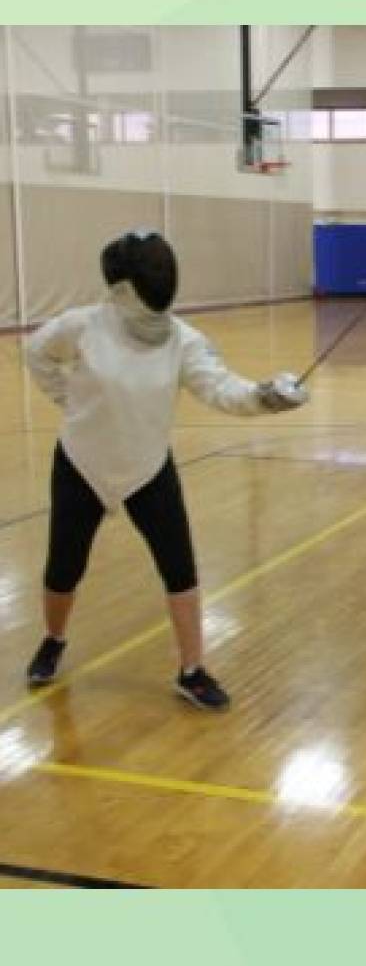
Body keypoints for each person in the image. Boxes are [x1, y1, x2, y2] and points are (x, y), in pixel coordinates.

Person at [24, 230, 310, 711]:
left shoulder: (183, 340)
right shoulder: (83, 325)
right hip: (82, 463)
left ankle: (192, 670)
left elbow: (221, 388)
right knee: (64, 567)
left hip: (147, 467)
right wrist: (66, 400)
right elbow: (35, 352)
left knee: (180, 569)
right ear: (124, 288)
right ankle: (53, 641)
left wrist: (266, 397)